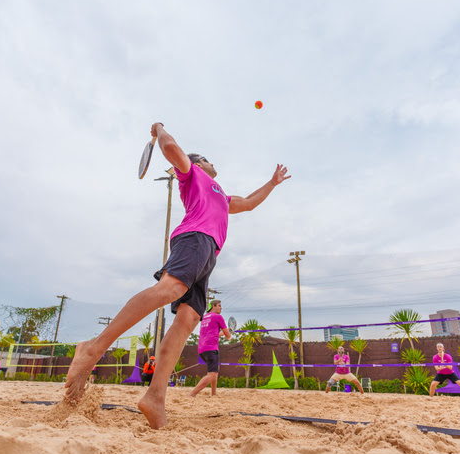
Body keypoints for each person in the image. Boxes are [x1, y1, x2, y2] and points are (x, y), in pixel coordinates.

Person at [63, 122, 291, 428]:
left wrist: (272, 183)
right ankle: (93, 349)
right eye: (208, 159)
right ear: (199, 163)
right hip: (193, 239)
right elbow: (171, 150)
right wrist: (159, 129)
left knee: (188, 320)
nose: (213, 163)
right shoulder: (192, 173)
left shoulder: (222, 197)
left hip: (208, 253)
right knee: (169, 289)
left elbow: (249, 203)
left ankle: (155, 396)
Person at [190, 300, 232, 397]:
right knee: (212, 374)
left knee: (214, 372)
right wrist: (229, 336)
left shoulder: (204, 317)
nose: (221, 308)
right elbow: (227, 336)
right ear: (213, 306)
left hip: (202, 349)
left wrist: (226, 333)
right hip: (211, 348)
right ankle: (192, 394)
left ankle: (214, 394)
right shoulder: (218, 316)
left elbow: (215, 334)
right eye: (219, 306)